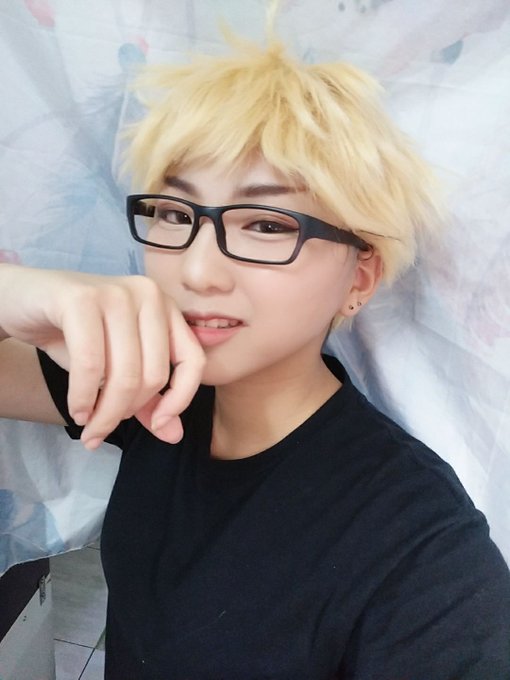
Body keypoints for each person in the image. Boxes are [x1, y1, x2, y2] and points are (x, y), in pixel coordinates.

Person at [0, 30, 509, 680]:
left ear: (359, 278)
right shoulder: (153, 388)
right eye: (174, 213)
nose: (197, 270)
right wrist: (13, 292)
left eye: (267, 225)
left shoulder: (419, 547)